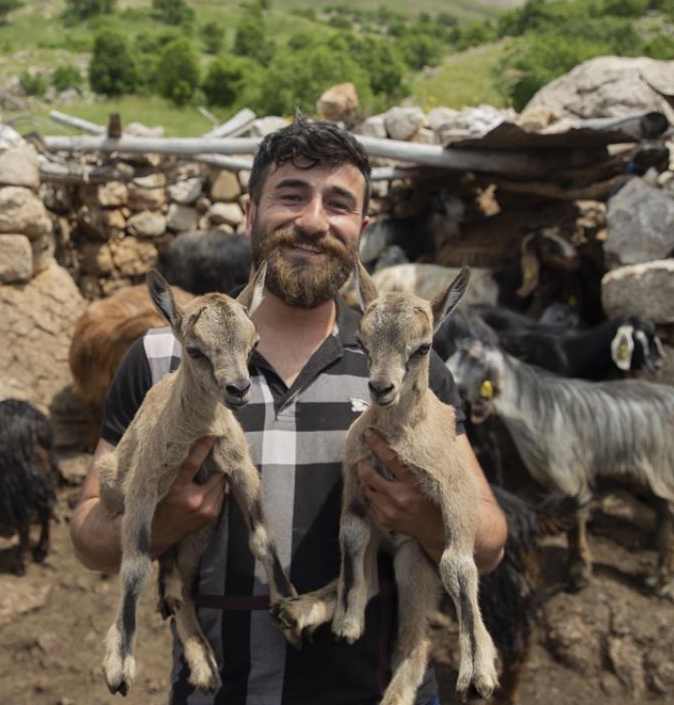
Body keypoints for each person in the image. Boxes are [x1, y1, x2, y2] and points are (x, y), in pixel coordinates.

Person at [70, 119, 506, 705]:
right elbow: (89, 535)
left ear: (361, 230)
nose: (313, 220)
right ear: (250, 214)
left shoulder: (403, 364)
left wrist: (424, 519)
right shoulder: (156, 360)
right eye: (292, 195)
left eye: (339, 204)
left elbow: (490, 541)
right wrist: (163, 520)